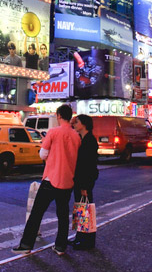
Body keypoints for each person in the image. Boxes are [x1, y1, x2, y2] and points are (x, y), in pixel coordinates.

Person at [15, 104, 81, 255]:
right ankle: (60, 246)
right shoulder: (76, 136)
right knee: (63, 215)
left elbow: (42, 154)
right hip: (67, 180)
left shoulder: (53, 132)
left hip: (51, 179)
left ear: (58, 116)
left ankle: (26, 245)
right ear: (70, 117)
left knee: (37, 213)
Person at [70, 114, 98, 250]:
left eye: (77, 122)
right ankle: (80, 238)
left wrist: (85, 186)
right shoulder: (84, 139)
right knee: (81, 210)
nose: (75, 124)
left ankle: (87, 241)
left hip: (84, 182)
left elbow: (89, 165)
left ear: (85, 124)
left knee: (85, 210)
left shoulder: (90, 141)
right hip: (80, 181)